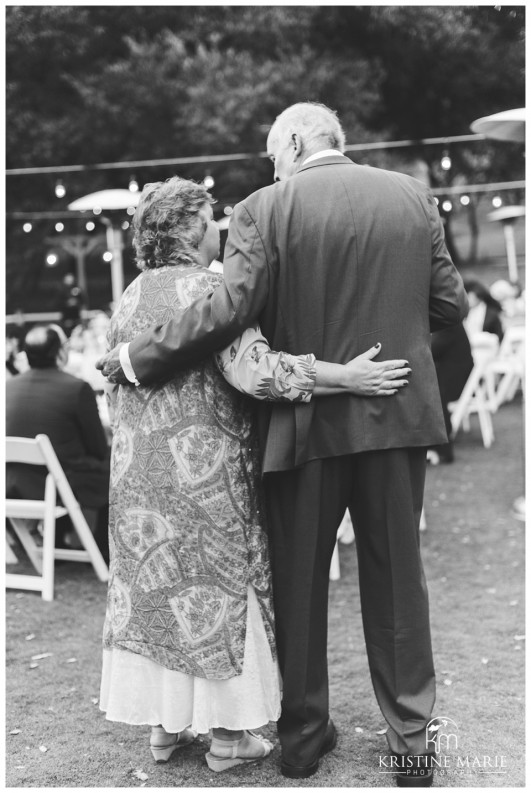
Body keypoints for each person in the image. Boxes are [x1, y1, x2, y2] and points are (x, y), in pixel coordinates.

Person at [97, 102, 468, 787]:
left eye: (273, 155)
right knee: (397, 586)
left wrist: (137, 355)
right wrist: (394, 344)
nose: (273, 167)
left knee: (299, 588)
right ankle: (411, 742)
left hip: (302, 430)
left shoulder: (263, 210)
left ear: (295, 140)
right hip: (393, 420)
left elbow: (229, 310)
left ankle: (301, 740)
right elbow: (450, 308)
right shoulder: (410, 197)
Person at [6, 324, 110, 560]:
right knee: (111, 467)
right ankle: (102, 548)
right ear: (60, 352)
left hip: (12, 483)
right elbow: (98, 448)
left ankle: (58, 539)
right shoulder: (76, 388)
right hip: (58, 485)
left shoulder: (7, 388)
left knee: (65, 467)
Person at [429, 323, 474, 464]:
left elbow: (431, 349)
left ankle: (440, 446)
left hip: (457, 383)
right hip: (454, 377)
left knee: (431, 391)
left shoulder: (448, 325)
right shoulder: (450, 323)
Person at [463, 278, 504, 343]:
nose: (468, 300)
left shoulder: (491, 314)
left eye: (470, 297)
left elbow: (499, 336)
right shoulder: (466, 312)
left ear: (478, 297)